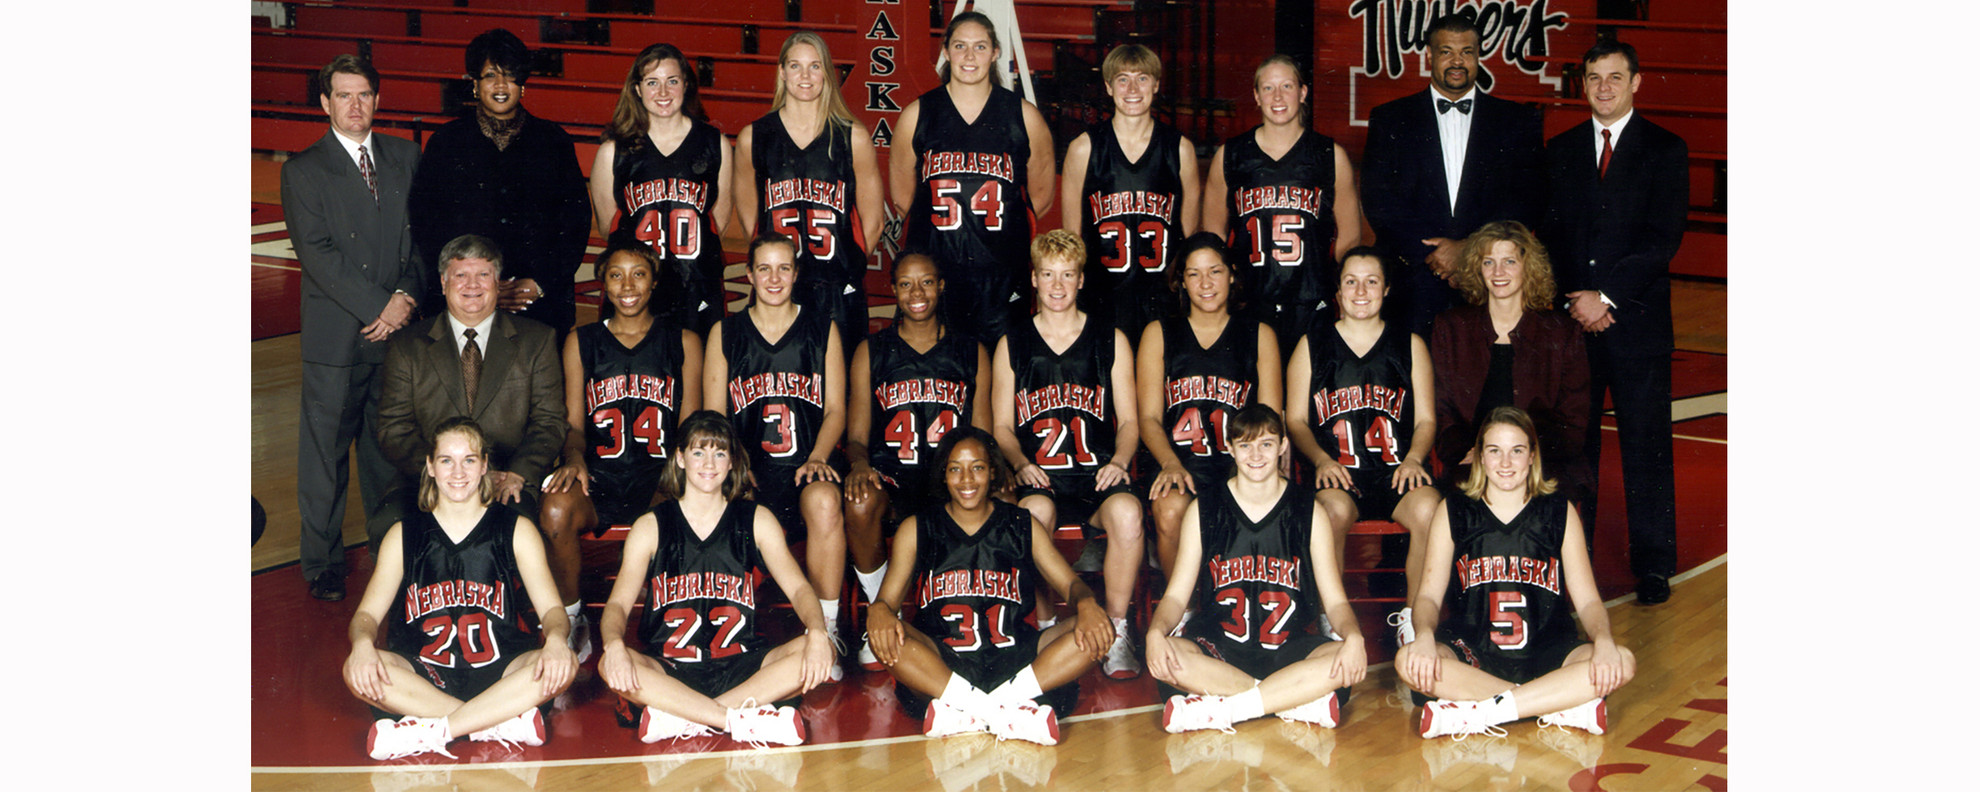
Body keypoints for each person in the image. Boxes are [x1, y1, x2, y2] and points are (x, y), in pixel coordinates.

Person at [1541, 40, 1689, 605]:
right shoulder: (1560, 150)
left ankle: (1654, 564)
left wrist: (1606, 296)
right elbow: (1549, 238)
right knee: (1574, 446)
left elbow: (1662, 240)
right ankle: (1567, 560)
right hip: (1574, 323)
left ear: (1636, 82)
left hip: (1637, 324)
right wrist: (1575, 301)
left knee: (1646, 446)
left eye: (1615, 77)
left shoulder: (1665, 149)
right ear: (1582, 84)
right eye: (1594, 78)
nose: (1604, 87)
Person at [343, 418, 576, 760]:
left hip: (502, 672)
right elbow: (365, 615)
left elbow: (554, 612)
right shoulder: (403, 535)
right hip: (425, 676)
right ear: (430, 467)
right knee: (355, 667)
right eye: (446, 460)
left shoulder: (515, 529)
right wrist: (362, 643)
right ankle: (493, 723)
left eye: (469, 459)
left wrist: (555, 640)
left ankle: (436, 729)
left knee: (564, 662)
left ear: (484, 466)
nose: (458, 472)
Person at [865, 427, 1115, 744]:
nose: (967, 480)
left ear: (993, 471)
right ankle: (1004, 713)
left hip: (1015, 662)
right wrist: (879, 612)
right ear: (943, 474)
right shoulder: (918, 528)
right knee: (882, 632)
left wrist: (1087, 604)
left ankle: (972, 712)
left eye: (977, 468)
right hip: (942, 664)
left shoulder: (1021, 524)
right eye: (955, 469)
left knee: (1098, 625)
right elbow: (886, 604)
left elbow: (1072, 586)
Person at [1398, 407, 1634, 739]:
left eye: (1517, 451)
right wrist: (1423, 635)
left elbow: (1589, 602)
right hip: (1473, 651)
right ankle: (1553, 703)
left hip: (1546, 650)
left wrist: (1605, 641)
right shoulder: (1453, 510)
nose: (1506, 463)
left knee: (1621, 660)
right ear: (1480, 457)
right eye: (1495, 451)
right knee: (1408, 659)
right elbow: (1427, 598)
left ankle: (1480, 712)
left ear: (1532, 456)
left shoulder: (1557, 511)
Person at [596, 411, 831, 746]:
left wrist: (819, 633)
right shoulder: (651, 525)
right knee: (611, 663)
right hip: (671, 668)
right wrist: (615, 644)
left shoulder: (756, 519)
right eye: (698, 452)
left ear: (732, 461)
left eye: (720, 453)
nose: (709, 463)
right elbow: (618, 604)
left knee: (818, 649)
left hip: (743, 666)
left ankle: (682, 717)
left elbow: (799, 589)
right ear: (679, 457)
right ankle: (738, 720)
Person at [284, 54, 423, 601]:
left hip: (397, 333)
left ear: (378, 100)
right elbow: (317, 255)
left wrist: (406, 299)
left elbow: (421, 237)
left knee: (386, 449)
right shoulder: (303, 169)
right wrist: (378, 308)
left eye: (364, 94)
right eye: (344, 95)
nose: (355, 105)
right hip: (338, 337)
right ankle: (322, 563)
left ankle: (388, 548)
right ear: (325, 103)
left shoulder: (406, 156)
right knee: (325, 458)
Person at [375, 235, 568, 620]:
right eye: (460, 275)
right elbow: (392, 428)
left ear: (499, 283)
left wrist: (519, 474)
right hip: (428, 477)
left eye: (483, 274)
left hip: (507, 477)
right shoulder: (408, 345)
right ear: (443, 283)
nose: (472, 285)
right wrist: (444, 474)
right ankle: (411, 628)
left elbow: (549, 422)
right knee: (388, 523)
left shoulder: (536, 340)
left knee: (523, 526)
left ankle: (515, 628)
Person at [1145, 404, 1366, 733]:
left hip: (1287, 648)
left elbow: (1334, 602)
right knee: (1168, 655)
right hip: (1219, 648)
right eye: (1245, 445)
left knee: (1341, 658)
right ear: (1230, 449)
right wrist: (1154, 632)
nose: (1256, 455)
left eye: (1266, 443)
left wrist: (1354, 637)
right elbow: (1177, 596)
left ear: (1283, 447)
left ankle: (1230, 708)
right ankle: (1290, 699)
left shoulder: (1309, 511)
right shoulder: (1204, 509)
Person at [537, 234, 704, 663]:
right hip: (601, 476)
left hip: (661, 476)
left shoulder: (683, 341)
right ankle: (572, 618)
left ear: (653, 283)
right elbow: (574, 425)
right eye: (616, 275)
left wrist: (674, 480)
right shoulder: (581, 341)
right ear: (602, 284)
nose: (627, 286)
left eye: (638, 275)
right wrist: (574, 459)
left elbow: (689, 428)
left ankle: (672, 618)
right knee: (555, 509)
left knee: (681, 509)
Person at [990, 229, 1143, 678]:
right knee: (1030, 517)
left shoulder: (1110, 339)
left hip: (1097, 476)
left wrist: (1118, 460)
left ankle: (1115, 631)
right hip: (1042, 478)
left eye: (1068, 275)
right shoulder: (1012, 343)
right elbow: (1000, 425)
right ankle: (1050, 624)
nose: (1057, 286)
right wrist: (1019, 462)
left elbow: (1131, 422)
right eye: (1048, 275)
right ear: (1034, 280)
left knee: (1129, 516)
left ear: (1080, 281)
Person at [703, 233, 851, 679]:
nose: (774, 278)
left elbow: (836, 410)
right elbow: (714, 417)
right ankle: (732, 638)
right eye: (763, 268)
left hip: (805, 466)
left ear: (796, 273)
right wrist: (738, 468)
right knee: (717, 508)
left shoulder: (822, 327)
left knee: (825, 501)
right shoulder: (725, 332)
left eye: (783, 268)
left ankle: (825, 632)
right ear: (748, 274)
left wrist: (819, 456)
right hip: (745, 472)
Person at [844, 251, 992, 670]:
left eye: (926, 282)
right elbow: (856, 436)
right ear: (892, 290)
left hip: (953, 481)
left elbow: (981, 437)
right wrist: (858, 465)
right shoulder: (872, 351)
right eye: (906, 284)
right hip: (893, 477)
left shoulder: (969, 350)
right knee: (858, 500)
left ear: (941, 286)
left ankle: (976, 619)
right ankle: (881, 617)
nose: (917, 293)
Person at [1285, 247, 1440, 643]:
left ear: (1386, 289)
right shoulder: (1312, 345)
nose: (1360, 291)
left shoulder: (1409, 345)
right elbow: (1296, 420)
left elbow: (1425, 420)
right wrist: (1320, 459)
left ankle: (1412, 616)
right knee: (1330, 513)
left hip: (1394, 474)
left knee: (1429, 510)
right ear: (1337, 291)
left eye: (1371, 281)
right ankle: (1331, 618)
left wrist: (1415, 458)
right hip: (1339, 474)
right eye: (1351, 281)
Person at [1362, 13, 1544, 338]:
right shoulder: (1390, 119)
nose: (1457, 61)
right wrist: (1438, 257)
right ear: (1429, 56)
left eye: (1467, 52)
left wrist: (1470, 250)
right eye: (1446, 51)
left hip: (1490, 285)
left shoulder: (1518, 121)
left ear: (1479, 55)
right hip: (1412, 284)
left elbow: (1527, 200)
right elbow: (1380, 202)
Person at [408, 28, 590, 338]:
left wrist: (539, 282)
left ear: (523, 84)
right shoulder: (445, 143)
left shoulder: (553, 141)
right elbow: (426, 224)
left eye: (510, 76)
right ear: (476, 85)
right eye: (491, 75)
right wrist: (475, 285)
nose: (501, 85)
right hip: (465, 300)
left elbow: (575, 223)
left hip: (538, 303)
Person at [890, 10, 1056, 341]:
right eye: (960, 46)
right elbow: (903, 197)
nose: (969, 56)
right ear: (946, 51)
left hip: (1001, 276)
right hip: (937, 272)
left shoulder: (1023, 116)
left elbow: (1040, 196)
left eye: (980, 47)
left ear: (995, 52)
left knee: (1002, 375)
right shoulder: (917, 114)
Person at [1136, 233, 1281, 576]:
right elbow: (1148, 418)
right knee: (1170, 509)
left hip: (1242, 464)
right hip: (1181, 462)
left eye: (1215, 271)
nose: (1206, 283)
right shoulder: (1159, 333)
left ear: (1232, 275)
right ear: (1181, 281)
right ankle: (1181, 612)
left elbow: (1271, 420)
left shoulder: (1259, 334)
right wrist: (1170, 463)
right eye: (1194, 274)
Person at [734, 31, 885, 358]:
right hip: (779, 287)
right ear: (782, 72)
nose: (805, 76)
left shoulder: (853, 137)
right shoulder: (754, 137)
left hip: (837, 288)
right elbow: (751, 222)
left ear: (827, 74)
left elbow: (873, 222)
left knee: (841, 388)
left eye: (815, 66)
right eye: (796, 66)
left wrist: (846, 272)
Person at [1202, 54, 1362, 359]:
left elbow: (1350, 239)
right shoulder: (1231, 155)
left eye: (1287, 86)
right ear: (1256, 96)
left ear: (1303, 93)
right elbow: (1213, 238)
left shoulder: (1330, 155)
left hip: (1311, 301)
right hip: (1249, 300)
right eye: (1268, 88)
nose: (1277, 97)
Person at [1429, 222, 1591, 519]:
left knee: (1549, 501)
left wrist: (1518, 457)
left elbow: (1573, 425)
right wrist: (1481, 456)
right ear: (1477, 269)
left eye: (1509, 262)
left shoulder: (1562, 333)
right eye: (1488, 262)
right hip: (1472, 462)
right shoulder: (1451, 328)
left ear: (1528, 268)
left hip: (1542, 463)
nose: (1498, 272)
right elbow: (1443, 415)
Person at [1060, 43, 1200, 345]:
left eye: (1142, 78)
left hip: (1162, 299)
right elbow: (1072, 239)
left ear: (1157, 84)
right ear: (1109, 87)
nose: (1132, 88)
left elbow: (1187, 239)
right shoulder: (1084, 148)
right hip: (1102, 297)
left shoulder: (1179, 149)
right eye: (1123, 79)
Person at [591, 43, 734, 336]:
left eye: (672, 81)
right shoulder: (613, 150)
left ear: (686, 85)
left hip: (697, 285)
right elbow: (609, 229)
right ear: (637, 89)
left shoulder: (714, 143)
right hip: (637, 289)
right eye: (652, 82)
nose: (663, 92)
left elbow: (717, 221)